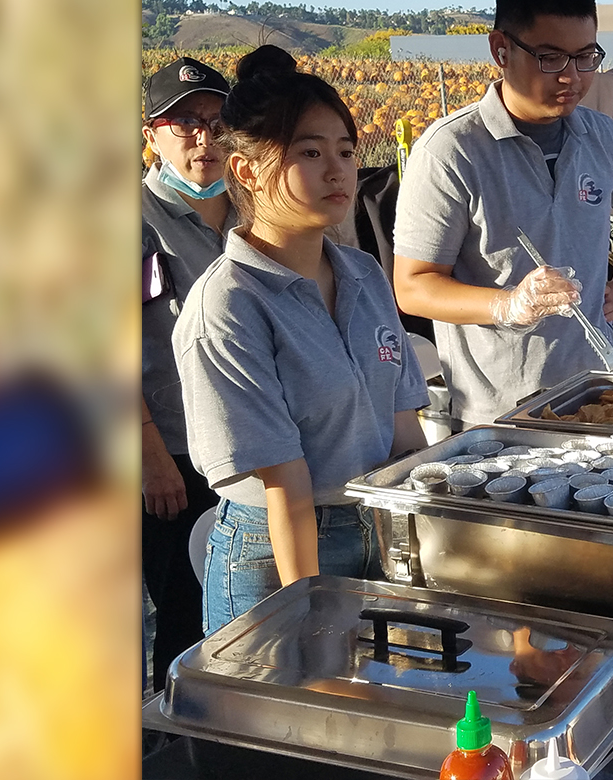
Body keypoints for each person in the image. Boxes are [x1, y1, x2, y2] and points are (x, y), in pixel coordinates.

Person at [174, 45, 432, 634]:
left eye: (345, 150)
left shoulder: (363, 274)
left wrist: (427, 550)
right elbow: (284, 485)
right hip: (276, 553)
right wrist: (309, 613)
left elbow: (404, 432)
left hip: (373, 528)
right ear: (246, 171)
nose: (337, 170)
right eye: (310, 153)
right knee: (294, 715)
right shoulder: (231, 303)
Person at [392, 0, 613, 424]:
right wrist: (508, 304)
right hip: (500, 411)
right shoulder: (452, 151)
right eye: (551, 57)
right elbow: (413, 286)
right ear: (501, 49)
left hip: (598, 393)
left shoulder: (600, 136)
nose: (572, 78)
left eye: (585, 57)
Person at [140, 56, 232, 684]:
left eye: (216, 123)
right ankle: (178, 739)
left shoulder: (251, 212)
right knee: (182, 611)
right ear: (151, 134)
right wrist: (150, 454)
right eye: (185, 125)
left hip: (248, 444)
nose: (204, 139)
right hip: (172, 450)